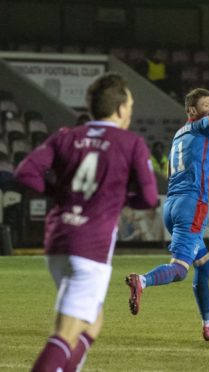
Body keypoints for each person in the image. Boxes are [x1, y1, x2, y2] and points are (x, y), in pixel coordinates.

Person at [14, 72, 158, 372]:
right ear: (120, 109)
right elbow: (148, 197)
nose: (130, 111)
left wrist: (62, 192)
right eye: (129, 105)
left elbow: (25, 173)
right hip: (89, 247)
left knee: (92, 322)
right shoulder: (130, 143)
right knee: (65, 333)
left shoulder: (68, 135)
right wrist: (115, 198)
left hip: (56, 242)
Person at [125, 76, 209, 341]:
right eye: (206, 105)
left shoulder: (179, 135)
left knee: (204, 263)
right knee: (180, 269)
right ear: (192, 111)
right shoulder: (201, 127)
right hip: (191, 205)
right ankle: (141, 281)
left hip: (172, 204)